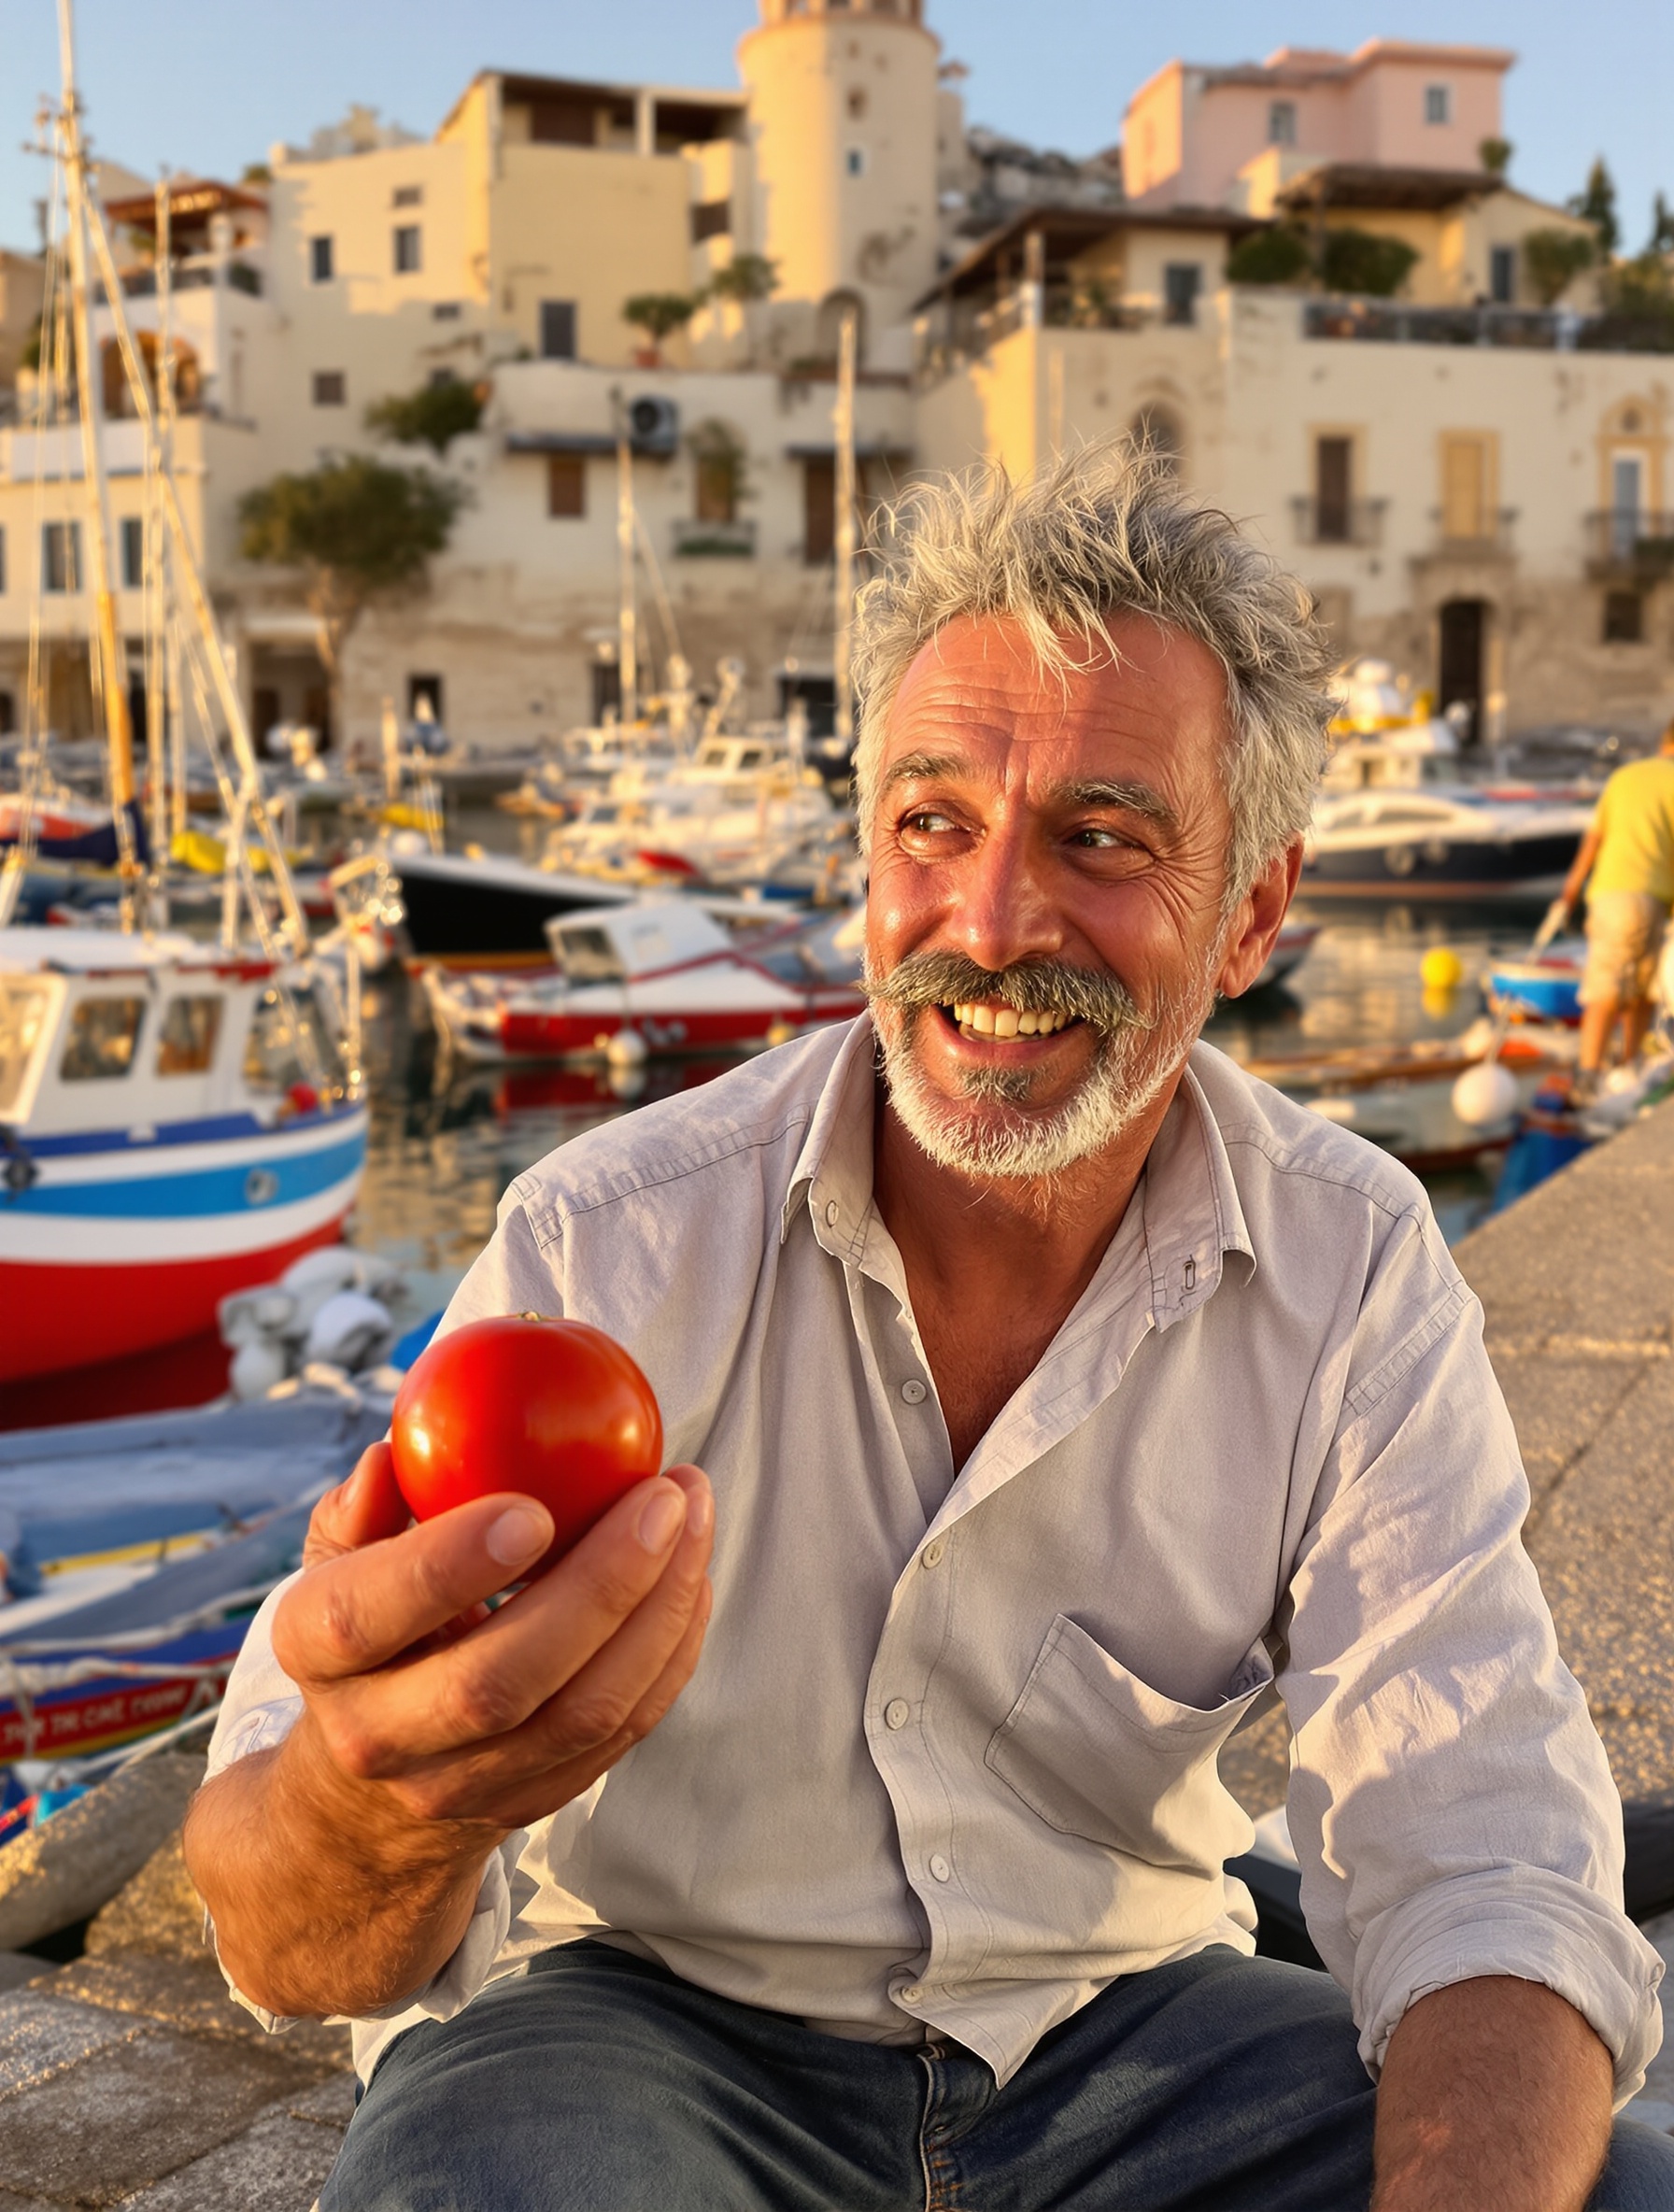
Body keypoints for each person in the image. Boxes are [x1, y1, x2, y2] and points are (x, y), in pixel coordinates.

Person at [187, 453, 1673, 2212]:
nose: (987, 923)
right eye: (932, 821)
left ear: (1254, 913)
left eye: (1100, 838)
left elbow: (1482, 1839)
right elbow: (285, 1936)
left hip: (1123, 2025)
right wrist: (378, 1811)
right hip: (634, 2027)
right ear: (867, 852)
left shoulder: (1348, 1267)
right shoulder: (605, 1240)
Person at [1553, 718, 1674, 1090]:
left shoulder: (1624, 777)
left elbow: (1593, 841)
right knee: (1640, 994)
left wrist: (1568, 893)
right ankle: (1626, 1070)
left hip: (1611, 894)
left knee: (1608, 989)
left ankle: (1591, 1078)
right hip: (1654, 896)